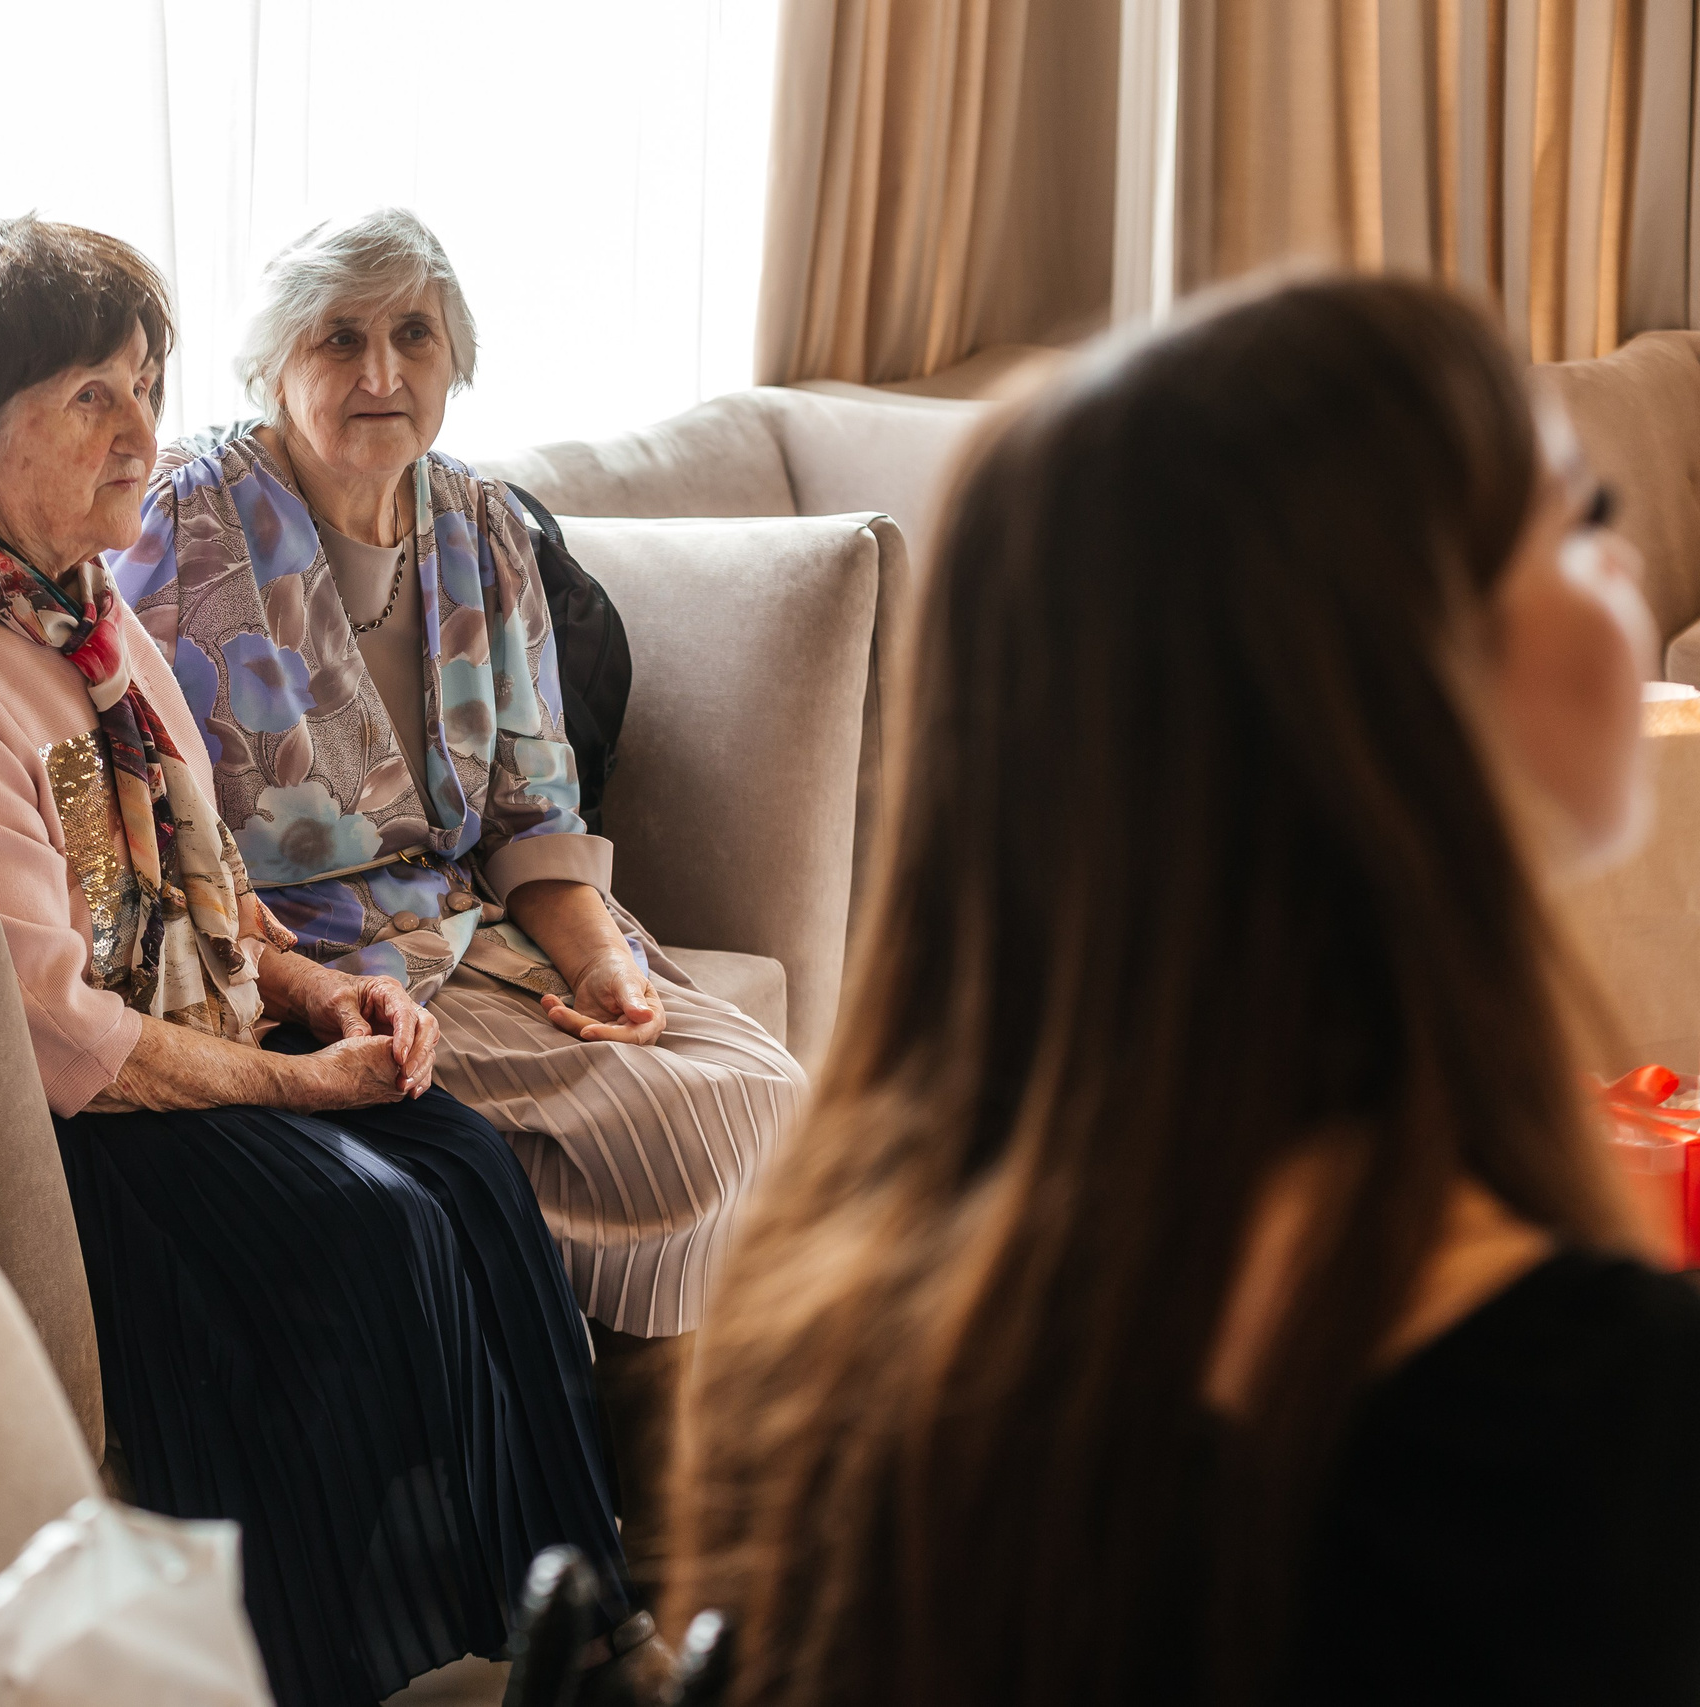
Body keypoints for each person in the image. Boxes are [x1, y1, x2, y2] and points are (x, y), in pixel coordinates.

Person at [665, 273, 1686, 1707]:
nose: (1629, 564)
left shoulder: (823, 1314)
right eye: (1579, 522)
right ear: (1390, 689)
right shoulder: (1594, 1413)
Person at [0, 216, 653, 1707]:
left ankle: (584, 1633)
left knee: (472, 1172)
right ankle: (318, 1667)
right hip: (53, 1138)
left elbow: (207, 889)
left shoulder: (79, 614)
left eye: (141, 387)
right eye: (90, 400)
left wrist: (325, 994)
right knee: (372, 1231)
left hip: (165, 1050)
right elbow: (53, 1033)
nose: (140, 434)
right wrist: (302, 1091)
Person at [108, 210, 806, 1589]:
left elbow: (536, 809)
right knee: (670, 1133)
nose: (382, 369)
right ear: (273, 367)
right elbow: (149, 811)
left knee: (762, 1084)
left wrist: (602, 962)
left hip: (484, 930)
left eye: (413, 333)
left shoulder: (479, 521)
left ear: (453, 358)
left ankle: (651, 1514)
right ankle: (650, 1552)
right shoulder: (183, 525)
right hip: (312, 968)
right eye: (340, 336)